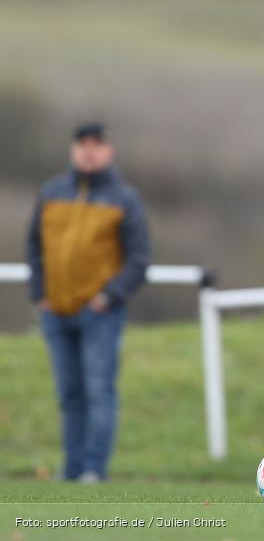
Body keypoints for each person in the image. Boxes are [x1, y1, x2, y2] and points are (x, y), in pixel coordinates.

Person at [26, 122, 150, 482]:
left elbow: (139, 259)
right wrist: (40, 293)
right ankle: (72, 468)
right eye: (83, 144)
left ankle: (94, 469)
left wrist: (107, 296)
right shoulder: (51, 192)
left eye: (97, 144)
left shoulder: (124, 199)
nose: (89, 151)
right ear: (73, 149)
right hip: (55, 311)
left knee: (99, 390)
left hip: (99, 314)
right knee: (69, 393)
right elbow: (34, 247)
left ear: (109, 151)